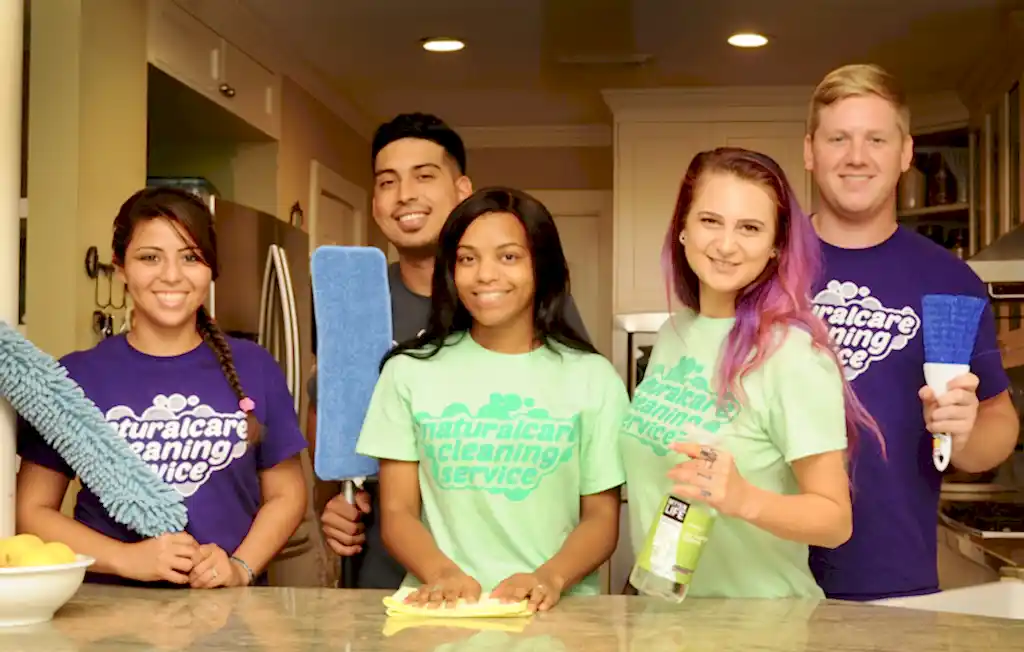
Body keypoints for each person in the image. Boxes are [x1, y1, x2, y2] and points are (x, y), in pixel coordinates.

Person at [310, 113, 591, 589]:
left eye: (424, 176)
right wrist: (332, 502)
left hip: (514, 566)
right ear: (375, 203)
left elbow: (572, 431)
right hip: (382, 562)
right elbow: (331, 421)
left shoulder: (514, 304)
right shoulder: (353, 302)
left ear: (462, 190)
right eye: (387, 182)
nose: (405, 195)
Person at [620, 146, 881, 598]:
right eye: (710, 221)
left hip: (762, 627)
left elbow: (835, 521)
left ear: (776, 245)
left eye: (750, 228)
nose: (725, 245)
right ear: (682, 227)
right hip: (668, 622)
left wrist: (744, 498)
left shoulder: (792, 355)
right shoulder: (673, 335)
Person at [16, 187, 309, 587]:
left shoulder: (255, 366)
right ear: (120, 268)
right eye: (149, 257)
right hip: (107, 614)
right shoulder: (75, 377)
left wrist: (240, 568)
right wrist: (126, 558)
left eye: (190, 257)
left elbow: (286, 495)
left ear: (211, 269)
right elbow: (32, 511)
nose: (171, 275)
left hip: (227, 617)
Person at [804, 64, 1019, 601]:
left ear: (905, 153)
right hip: (764, 579)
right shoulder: (767, 267)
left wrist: (965, 432)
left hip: (897, 588)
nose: (857, 156)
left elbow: (997, 424)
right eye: (839, 138)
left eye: (876, 139)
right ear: (810, 151)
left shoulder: (950, 280)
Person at [355, 187, 626, 611]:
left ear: (542, 266)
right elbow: (397, 512)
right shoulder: (408, 371)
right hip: (440, 609)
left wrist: (548, 578)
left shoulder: (593, 379)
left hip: (556, 613)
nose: (484, 275)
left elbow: (602, 520)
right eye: (467, 258)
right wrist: (442, 574)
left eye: (508, 256)